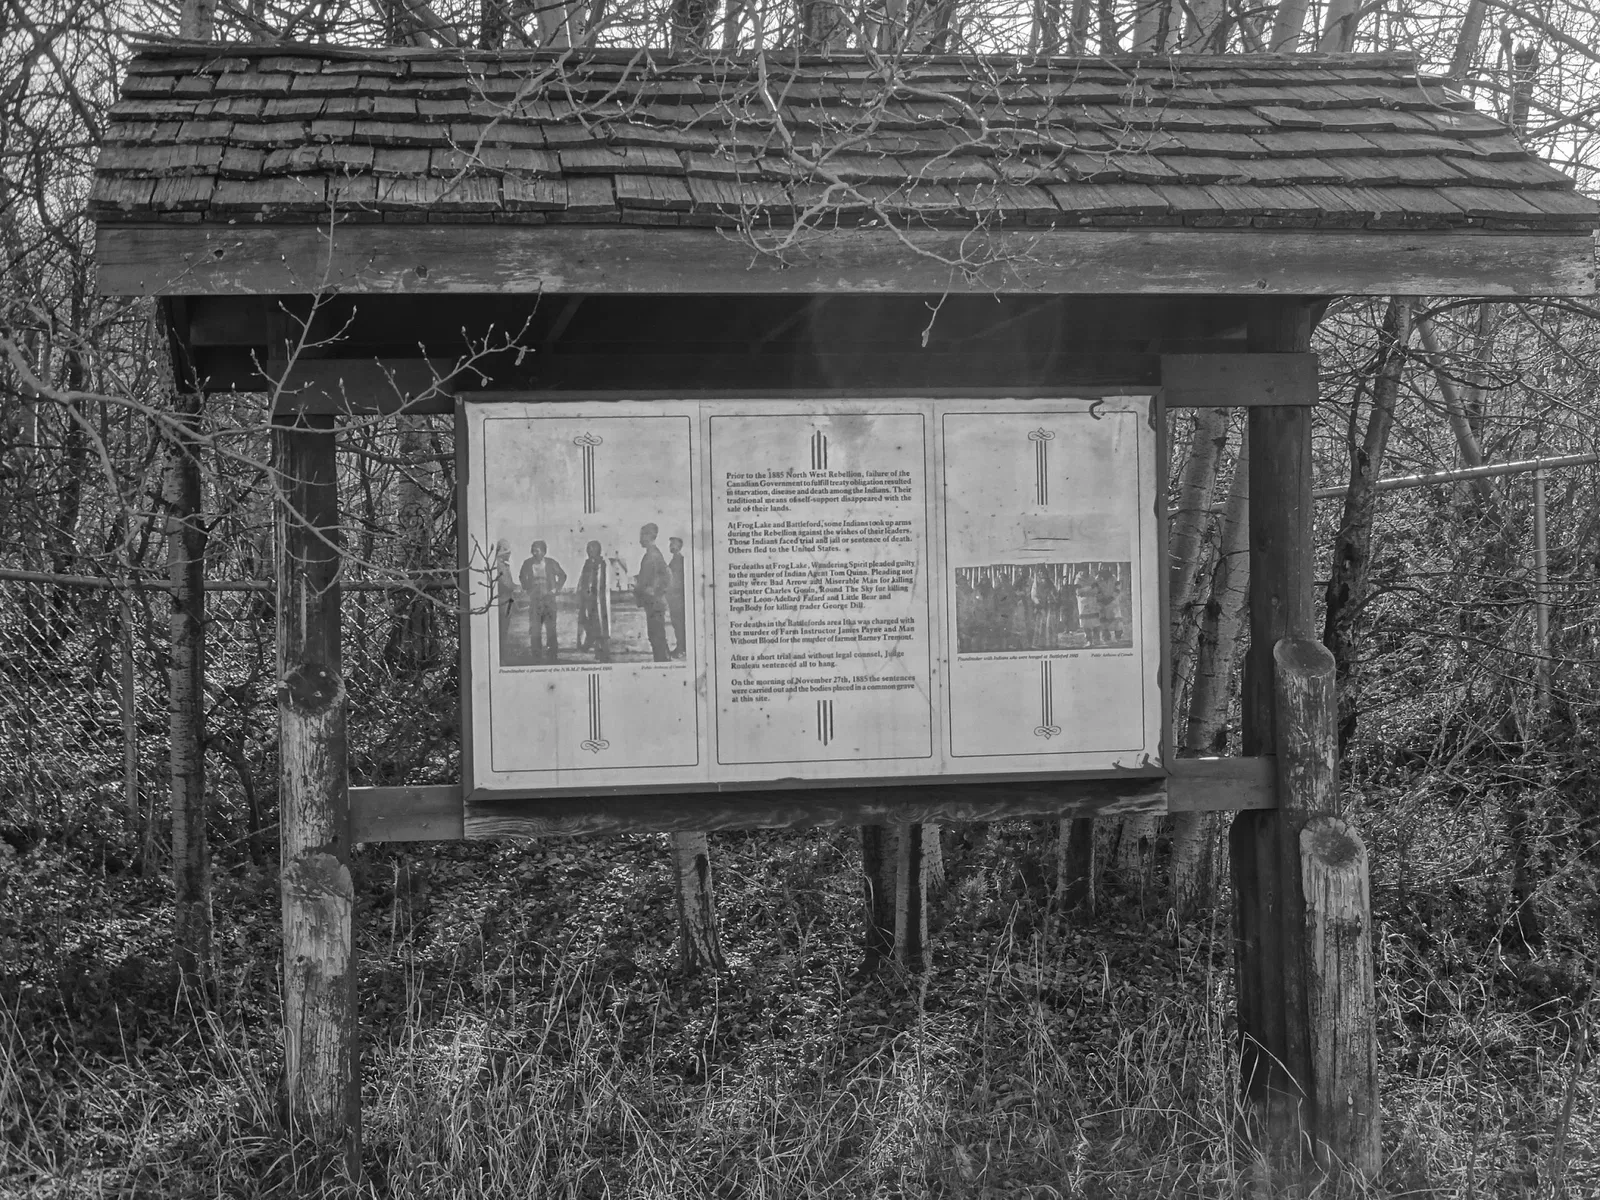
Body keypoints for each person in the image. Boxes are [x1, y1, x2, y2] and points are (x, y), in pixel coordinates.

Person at [519, 540, 567, 662]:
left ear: (544, 552)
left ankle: (552, 656)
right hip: (535, 602)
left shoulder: (551, 563)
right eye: (533, 550)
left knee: (551, 629)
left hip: (549, 602)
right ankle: (536, 656)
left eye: (537, 550)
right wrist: (527, 588)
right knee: (535, 630)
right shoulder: (527, 563)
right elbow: (521, 577)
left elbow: (563, 575)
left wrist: (556, 589)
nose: (535, 553)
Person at [635, 523, 672, 662]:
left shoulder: (654, 555)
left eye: (642, 535)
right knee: (656, 637)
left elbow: (667, 576)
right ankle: (664, 663)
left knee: (657, 638)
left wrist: (655, 591)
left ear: (650, 536)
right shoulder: (651, 554)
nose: (640, 539)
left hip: (655, 603)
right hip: (652, 603)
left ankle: (664, 665)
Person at [576, 539, 610, 662]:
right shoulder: (587, 564)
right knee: (586, 620)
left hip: (598, 599)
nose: (589, 551)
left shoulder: (601, 564)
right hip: (588, 598)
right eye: (588, 549)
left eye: (592, 549)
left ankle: (602, 651)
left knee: (600, 624)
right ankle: (589, 641)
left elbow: (600, 582)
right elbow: (583, 580)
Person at [493, 539, 515, 655]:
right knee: (502, 631)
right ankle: (501, 656)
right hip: (502, 602)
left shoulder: (504, 565)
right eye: (506, 550)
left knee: (504, 630)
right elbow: (506, 584)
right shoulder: (498, 565)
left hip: (506, 602)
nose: (509, 553)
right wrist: (515, 587)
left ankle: (502, 654)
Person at [667, 535, 687, 658]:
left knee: (679, 623)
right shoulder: (674, 560)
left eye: (672, 544)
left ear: (678, 546)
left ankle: (682, 648)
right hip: (674, 598)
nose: (670, 546)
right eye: (670, 544)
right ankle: (681, 647)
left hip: (678, 599)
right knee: (676, 623)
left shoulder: (680, 560)